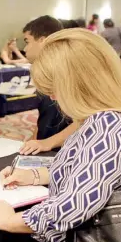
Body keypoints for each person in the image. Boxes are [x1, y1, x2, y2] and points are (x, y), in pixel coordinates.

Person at [0, 28, 121, 242]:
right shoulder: (96, 120)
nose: (53, 97)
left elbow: (76, 204)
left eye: (54, 88)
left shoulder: (109, 125)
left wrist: (10, 220)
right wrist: (33, 175)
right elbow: (82, 169)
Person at [19, 15, 79, 155]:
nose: (25, 48)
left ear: (43, 40)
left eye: (27, 41)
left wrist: (48, 142)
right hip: (45, 150)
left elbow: (86, 119)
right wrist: (35, 139)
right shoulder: (46, 72)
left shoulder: (70, 72)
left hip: (67, 152)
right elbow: (45, 117)